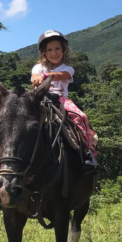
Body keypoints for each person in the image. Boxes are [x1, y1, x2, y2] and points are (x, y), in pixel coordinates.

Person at [31, 30, 97, 172]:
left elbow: (62, 75)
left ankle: (87, 152)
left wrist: (44, 76)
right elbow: (35, 76)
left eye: (57, 49)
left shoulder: (68, 68)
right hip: (40, 97)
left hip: (60, 99)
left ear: (64, 50)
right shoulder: (38, 67)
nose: (54, 53)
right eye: (49, 50)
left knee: (81, 118)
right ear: (44, 52)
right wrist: (37, 76)